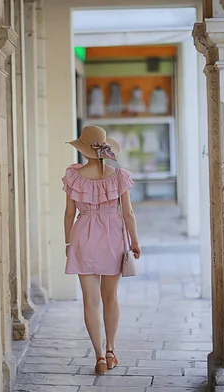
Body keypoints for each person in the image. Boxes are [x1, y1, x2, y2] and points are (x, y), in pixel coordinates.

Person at [63, 125, 141, 375]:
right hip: (112, 238)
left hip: (82, 237)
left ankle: (97, 356)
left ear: (84, 150)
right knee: (111, 297)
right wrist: (135, 241)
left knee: (90, 301)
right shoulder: (119, 176)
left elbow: (69, 214)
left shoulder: (73, 176)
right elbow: (128, 213)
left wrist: (68, 243)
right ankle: (111, 351)